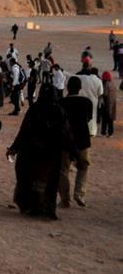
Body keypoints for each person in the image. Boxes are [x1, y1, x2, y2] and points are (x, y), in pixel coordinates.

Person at [7, 85, 72, 220]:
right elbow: (65, 133)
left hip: (34, 151)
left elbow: (25, 131)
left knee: (32, 177)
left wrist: (15, 148)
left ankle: (33, 207)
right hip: (52, 153)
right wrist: (72, 151)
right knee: (50, 181)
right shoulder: (59, 110)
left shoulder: (35, 109)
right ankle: (47, 208)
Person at [58, 77, 92, 207]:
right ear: (80, 88)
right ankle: (79, 194)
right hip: (83, 140)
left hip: (65, 141)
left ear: (67, 88)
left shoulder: (61, 102)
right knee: (83, 167)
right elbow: (88, 118)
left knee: (63, 170)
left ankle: (65, 198)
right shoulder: (86, 102)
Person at [78, 67, 103, 137]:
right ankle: (92, 131)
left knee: (83, 114)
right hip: (94, 100)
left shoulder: (85, 78)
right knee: (93, 115)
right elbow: (100, 92)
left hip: (84, 98)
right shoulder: (98, 80)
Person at [99, 71, 116, 136]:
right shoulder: (113, 83)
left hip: (106, 103)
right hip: (112, 103)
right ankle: (110, 132)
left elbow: (105, 94)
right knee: (110, 119)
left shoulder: (106, 84)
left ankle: (103, 132)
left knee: (105, 119)